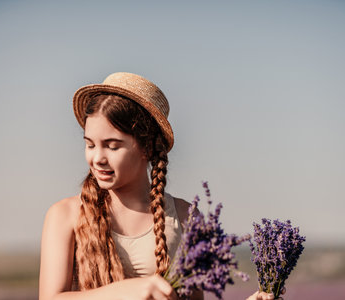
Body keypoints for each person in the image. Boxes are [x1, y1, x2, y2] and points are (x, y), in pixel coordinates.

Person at [39, 72, 282, 300]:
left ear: (147, 147)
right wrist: (129, 291)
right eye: (90, 144)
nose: (98, 158)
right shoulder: (65, 216)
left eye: (112, 146)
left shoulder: (187, 217)